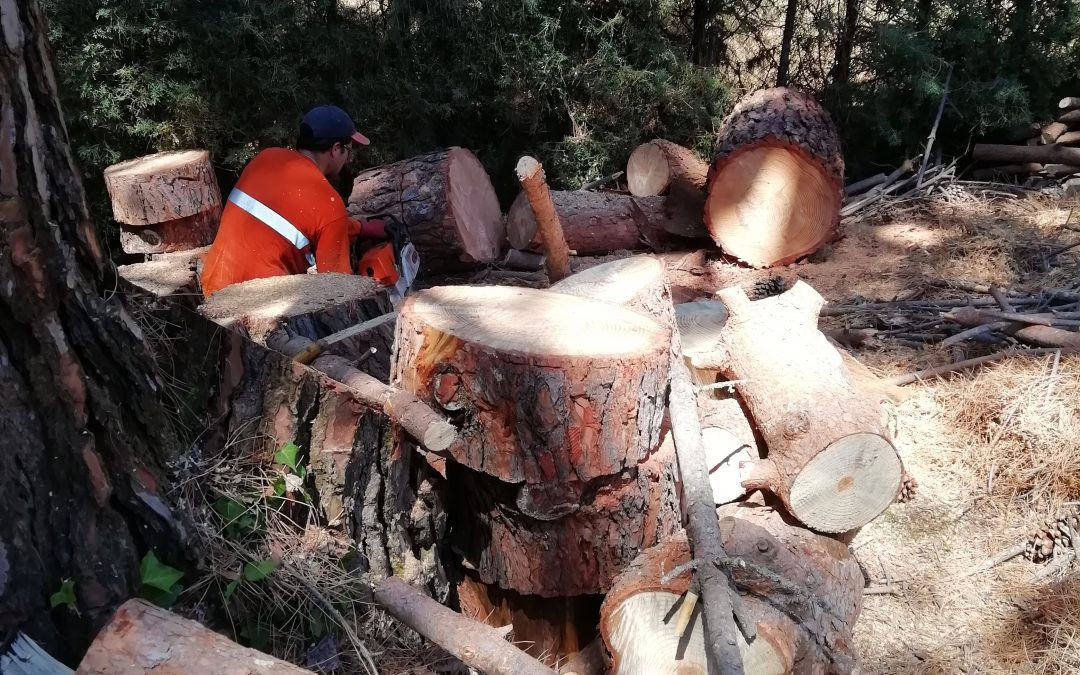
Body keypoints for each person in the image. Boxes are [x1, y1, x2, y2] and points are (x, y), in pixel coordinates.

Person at [200, 105, 387, 297]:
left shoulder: (266, 158)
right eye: (349, 150)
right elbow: (336, 288)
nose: (348, 159)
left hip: (213, 289)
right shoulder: (329, 204)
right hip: (260, 310)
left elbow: (298, 217)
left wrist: (361, 228)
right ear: (336, 148)